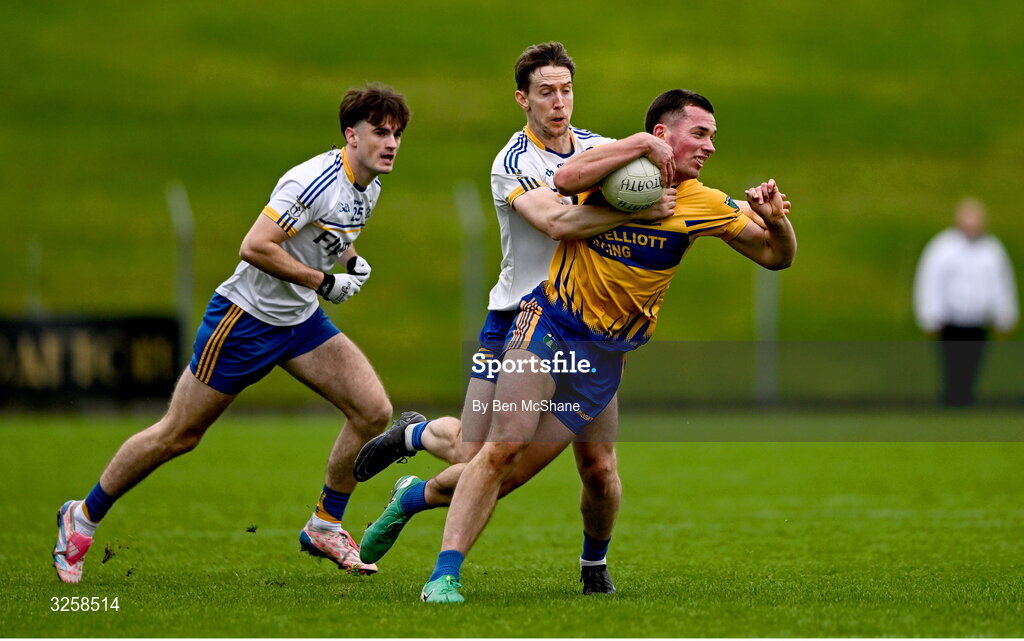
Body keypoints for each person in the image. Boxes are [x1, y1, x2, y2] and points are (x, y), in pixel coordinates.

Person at [416, 88, 797, 603]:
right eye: (699, 134)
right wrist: (637, 150)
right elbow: (566, 179)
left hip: (604, 354)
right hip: (547, 323)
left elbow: (777, 257)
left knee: (596, 470)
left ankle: (587, 560)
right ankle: (444, 575)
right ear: (664, 135)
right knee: (504, 444)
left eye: (713, 137)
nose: (709, 146)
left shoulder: (705, 202)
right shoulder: (616, 170)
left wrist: (776, 219)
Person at [51, 84, 411, 583]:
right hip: (244, 321)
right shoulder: (312, 181)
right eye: (379, 132)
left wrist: (351, 261)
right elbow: (254, 246)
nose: (391, 142)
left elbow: (332, 238)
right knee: (178, 434)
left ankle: (325, 524)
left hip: (299, 322)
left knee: (373, 411)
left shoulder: (369, 185)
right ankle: (82, 516)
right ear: (351, 135)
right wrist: (323, 281)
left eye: (396, 134)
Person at [352, 42, 675, 595]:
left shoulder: (602, 150)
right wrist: (638, 208)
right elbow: (555, 222)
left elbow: (672, 196)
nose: (558, 102)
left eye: (566, 90)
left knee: (598, 466)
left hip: (584, 325)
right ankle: (419, 438)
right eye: (545, 92)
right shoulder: (514, 163)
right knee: (484, 459)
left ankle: (592, 568)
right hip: (516, 321)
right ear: (522, 99)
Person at [913, 198, 1018, 406]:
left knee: (973, 362)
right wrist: (930, 314)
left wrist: (1005, 315)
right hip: (951, 319)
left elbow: (1001, 283)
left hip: (978, 319)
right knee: (952, 362)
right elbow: (930, 282)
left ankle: (966, 399)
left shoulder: (991, 250)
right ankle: (951, 399)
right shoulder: (943, 248)